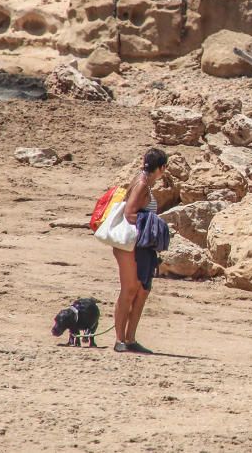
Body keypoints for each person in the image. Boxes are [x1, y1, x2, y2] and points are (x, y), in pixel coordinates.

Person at [113, 147, 168, 353]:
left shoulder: (144, 182)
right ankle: (120, 339)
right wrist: (154, 224)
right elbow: (130, 214)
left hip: (141, 245)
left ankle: (130, 338)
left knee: (142, 290)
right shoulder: (142, 184)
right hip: (131, 245)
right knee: (129, 290)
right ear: (162, 168)